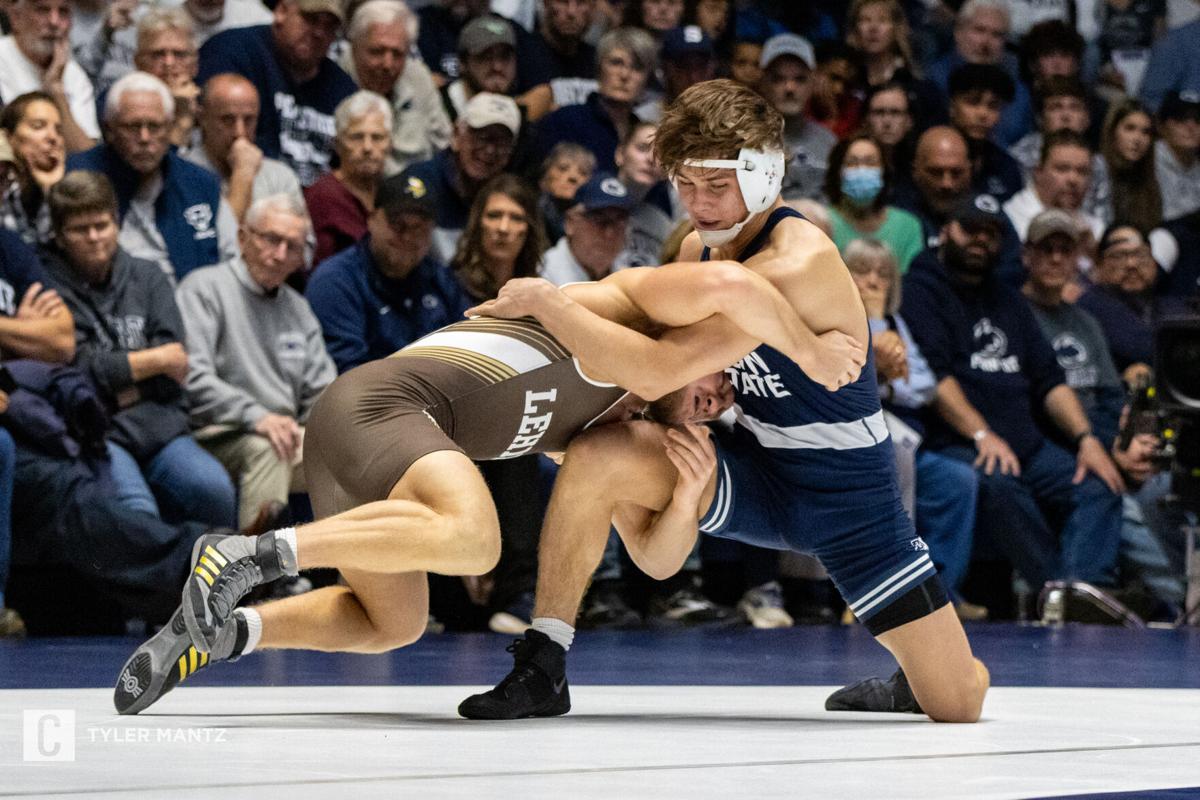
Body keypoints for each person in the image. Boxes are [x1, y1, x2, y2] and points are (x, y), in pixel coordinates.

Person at [112, 214, 865, 716]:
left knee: (391, 623)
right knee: (477, 537)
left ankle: (222, 634)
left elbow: (655, 562)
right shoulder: (633, 303)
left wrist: (686, 499)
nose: (720, 391)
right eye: (720, 371)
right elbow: (731, 286)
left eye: (725, 394)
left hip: (363, 458)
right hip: (379, 404)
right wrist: (812, 348)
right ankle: (245, 555)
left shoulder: (600, 431)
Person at [462, 79, 989, 723]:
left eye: (717, 186)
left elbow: (657, 369)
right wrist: (535, 341)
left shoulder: (796, 263)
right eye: (686, 185)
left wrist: (551, 303)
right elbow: (637, 316)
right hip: (755, 467)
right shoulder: (696, 246)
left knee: (957, 704)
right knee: (598, 452)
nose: (700, 205)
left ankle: (921, 672)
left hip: (851, 501)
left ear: (765, 176)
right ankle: (544, 660)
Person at [900, 193, 1126, 600]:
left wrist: (1086, 439)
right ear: (947, 231)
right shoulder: (922, 287)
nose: (980, 241)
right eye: (971, 229)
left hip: (1028, 445)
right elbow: (935, 378)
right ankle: (1057, 594)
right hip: (960, 441)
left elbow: (1049, 378)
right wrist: (983, 435)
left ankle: (1083, 591)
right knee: (996, 483)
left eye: (991, 234)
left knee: (1099, 481)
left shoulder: (1006, 296)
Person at [41, 170, 237, 530]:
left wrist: (119, 385)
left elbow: (176, 368)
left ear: (116, 222)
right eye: (80, 229)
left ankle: (229, 583)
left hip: (161, 428)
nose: (95, 237)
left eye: (102, 224)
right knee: (135, 512)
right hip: (98, 435)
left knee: (214, 490)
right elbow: (76, 373)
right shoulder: (48, 285)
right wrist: (153, 362)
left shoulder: (147, 275)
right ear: (59, 235)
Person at [175, 194, 336, 530]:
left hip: (284, 433)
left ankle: (351, 575)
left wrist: (329, 428)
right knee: (268, 448)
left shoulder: (297, 308)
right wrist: (256, 416)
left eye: (292, 247)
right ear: (242, 238)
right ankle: (255, 575)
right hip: (219, 430)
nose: (280, 255)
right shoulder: (205, 289)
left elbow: (321, 389)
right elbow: (192, 377)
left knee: (359, 455)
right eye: (271, 240)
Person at [844, 238, 981, 617]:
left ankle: (939, 592)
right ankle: (883, 593)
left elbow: (921, 386)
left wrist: (889, 377)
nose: (873, 282)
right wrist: (874, 330)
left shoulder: (899, 323)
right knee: (894, 459)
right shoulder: (833, 318)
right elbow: (849, 379)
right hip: (854, 441)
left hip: (908, 435)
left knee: (957, 480)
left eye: (883, 274)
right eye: (861, 271)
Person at [67, 71, 239, 282]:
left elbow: (233, 264)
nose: (145, 138)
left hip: (195, 304)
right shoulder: (78, 176)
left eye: (155, 127)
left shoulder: (199, 183)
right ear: (109, 130)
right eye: (133, 127)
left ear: (169, 128)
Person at [306, 168, 472, 373]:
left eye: (419, 228)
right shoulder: (335, 281)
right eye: (398, 225)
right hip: (366, 398)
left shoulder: (440, 279)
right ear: (372, 219)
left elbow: (468, 350)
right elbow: (348, 372)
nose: (408, 237)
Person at [196, 0, 358, 186]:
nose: (319, 32)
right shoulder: (232, 54)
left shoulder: (342, 88)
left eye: (330, 26)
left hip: (317, 205)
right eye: (310, 20)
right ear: (281, 11)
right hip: (244, 189)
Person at [407, 92, 522, 263]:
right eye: (482, 137)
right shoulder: (420, 184)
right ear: (456, 136)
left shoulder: (508, 198)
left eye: (501, 142)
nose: (490, 150)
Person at [340, 0, 452, 175]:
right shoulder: (335, 78)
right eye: (377, 51)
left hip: (418, 191)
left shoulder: (418, 77)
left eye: (398, 54)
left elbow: (445, 148)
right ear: (354, 46)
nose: (387, 64)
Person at [184, 73, 306, 223]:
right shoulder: (182, 174)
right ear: (202, 118)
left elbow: (302, 243)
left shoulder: (280, 177)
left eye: (249, 120)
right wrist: (243, 173)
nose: (239, 132)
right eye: (227, 120)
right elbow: (216, 244)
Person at [534, 27, 656, 174]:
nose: (625, 75)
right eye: (616, 63)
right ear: (599, 68)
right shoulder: (565, 121)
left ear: (646, 79)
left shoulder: (646, 134)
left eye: (637, 67)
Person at [304, 91, 393, 265]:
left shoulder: (393, 194)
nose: (367, 147)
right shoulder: (322, 197)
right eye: (357, 137)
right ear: (337, 144)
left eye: (377, 137)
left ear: (390, 144)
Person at [0, 0, 99, 153]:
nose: (54, 22)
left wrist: (56, 91)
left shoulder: (74, 74)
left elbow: (86, 156)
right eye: (42, 10)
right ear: (16, 18)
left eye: (63, 12)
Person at [822, 133, 924, 273]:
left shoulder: (907, 226)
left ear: (884, 172)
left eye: (871, 163)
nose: (861, 170)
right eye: (852, 163)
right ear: (837, 173)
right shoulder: (822, 224)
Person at [757, 33, 835, 201]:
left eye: (800, 79)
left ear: (813, 84)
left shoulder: (830, 144)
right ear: (763, 83)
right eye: (778, 79)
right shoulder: (744, 142)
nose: (790, 88)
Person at [946, 63, 1023, 203]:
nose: (983, 114)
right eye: (973, 102)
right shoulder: (928, 154)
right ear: (952, 105)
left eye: (993, 106)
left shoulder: (1006, 167)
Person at [539, 173, 633, 284]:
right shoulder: (542, 277)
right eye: (598, 219)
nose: (609, 233)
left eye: (620, 221)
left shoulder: (628, 275)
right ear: (570, 223)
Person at [0, 91, 65, 246]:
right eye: (38, 126)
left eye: (58, 130)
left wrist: (51, 191)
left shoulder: (70, 188)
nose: (52, 137)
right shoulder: (3, 186)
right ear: (8, 137)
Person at [615, 121, 675, 268]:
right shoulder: (589, 207)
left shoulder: (661, 224)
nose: (650, 159)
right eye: (642, 148)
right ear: (620, 154)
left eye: (659, 154)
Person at [1100, 98, 1163, 233]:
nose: (1137, 139)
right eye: (1130, 128)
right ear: (1112, 131)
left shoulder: (1149, 181)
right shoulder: (1096, 168)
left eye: (1145, 132)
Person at [1153, 90, 1200, 222]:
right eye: (1180, 118)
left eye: (1198, 119)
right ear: (1161, 125)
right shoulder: (1146, 160)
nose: (1191, 126)